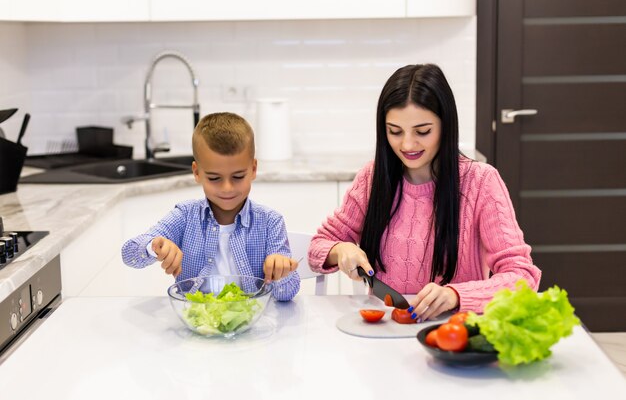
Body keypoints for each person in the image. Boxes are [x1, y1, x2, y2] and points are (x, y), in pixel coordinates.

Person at [308, 64, 541, 320]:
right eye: (395, 132)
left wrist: (456, 295)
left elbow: (522, 276)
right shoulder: (372, 178)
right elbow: (319, 246)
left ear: (446, 125)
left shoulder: (481, 182)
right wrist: (340, 250)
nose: (407, 144)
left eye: (423, 131)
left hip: (453, 331)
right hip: (385, 329)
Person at [121, 112, 300, 301]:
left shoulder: (270, 222)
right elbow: (129, 254)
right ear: (197, 173)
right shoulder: (185, 215)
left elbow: (287, 294)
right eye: (214, 178)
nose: (227, 188)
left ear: (253, 169)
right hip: (197, 322)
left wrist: (282, 272)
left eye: (238, 177)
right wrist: (153, 246)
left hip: (252, 321)